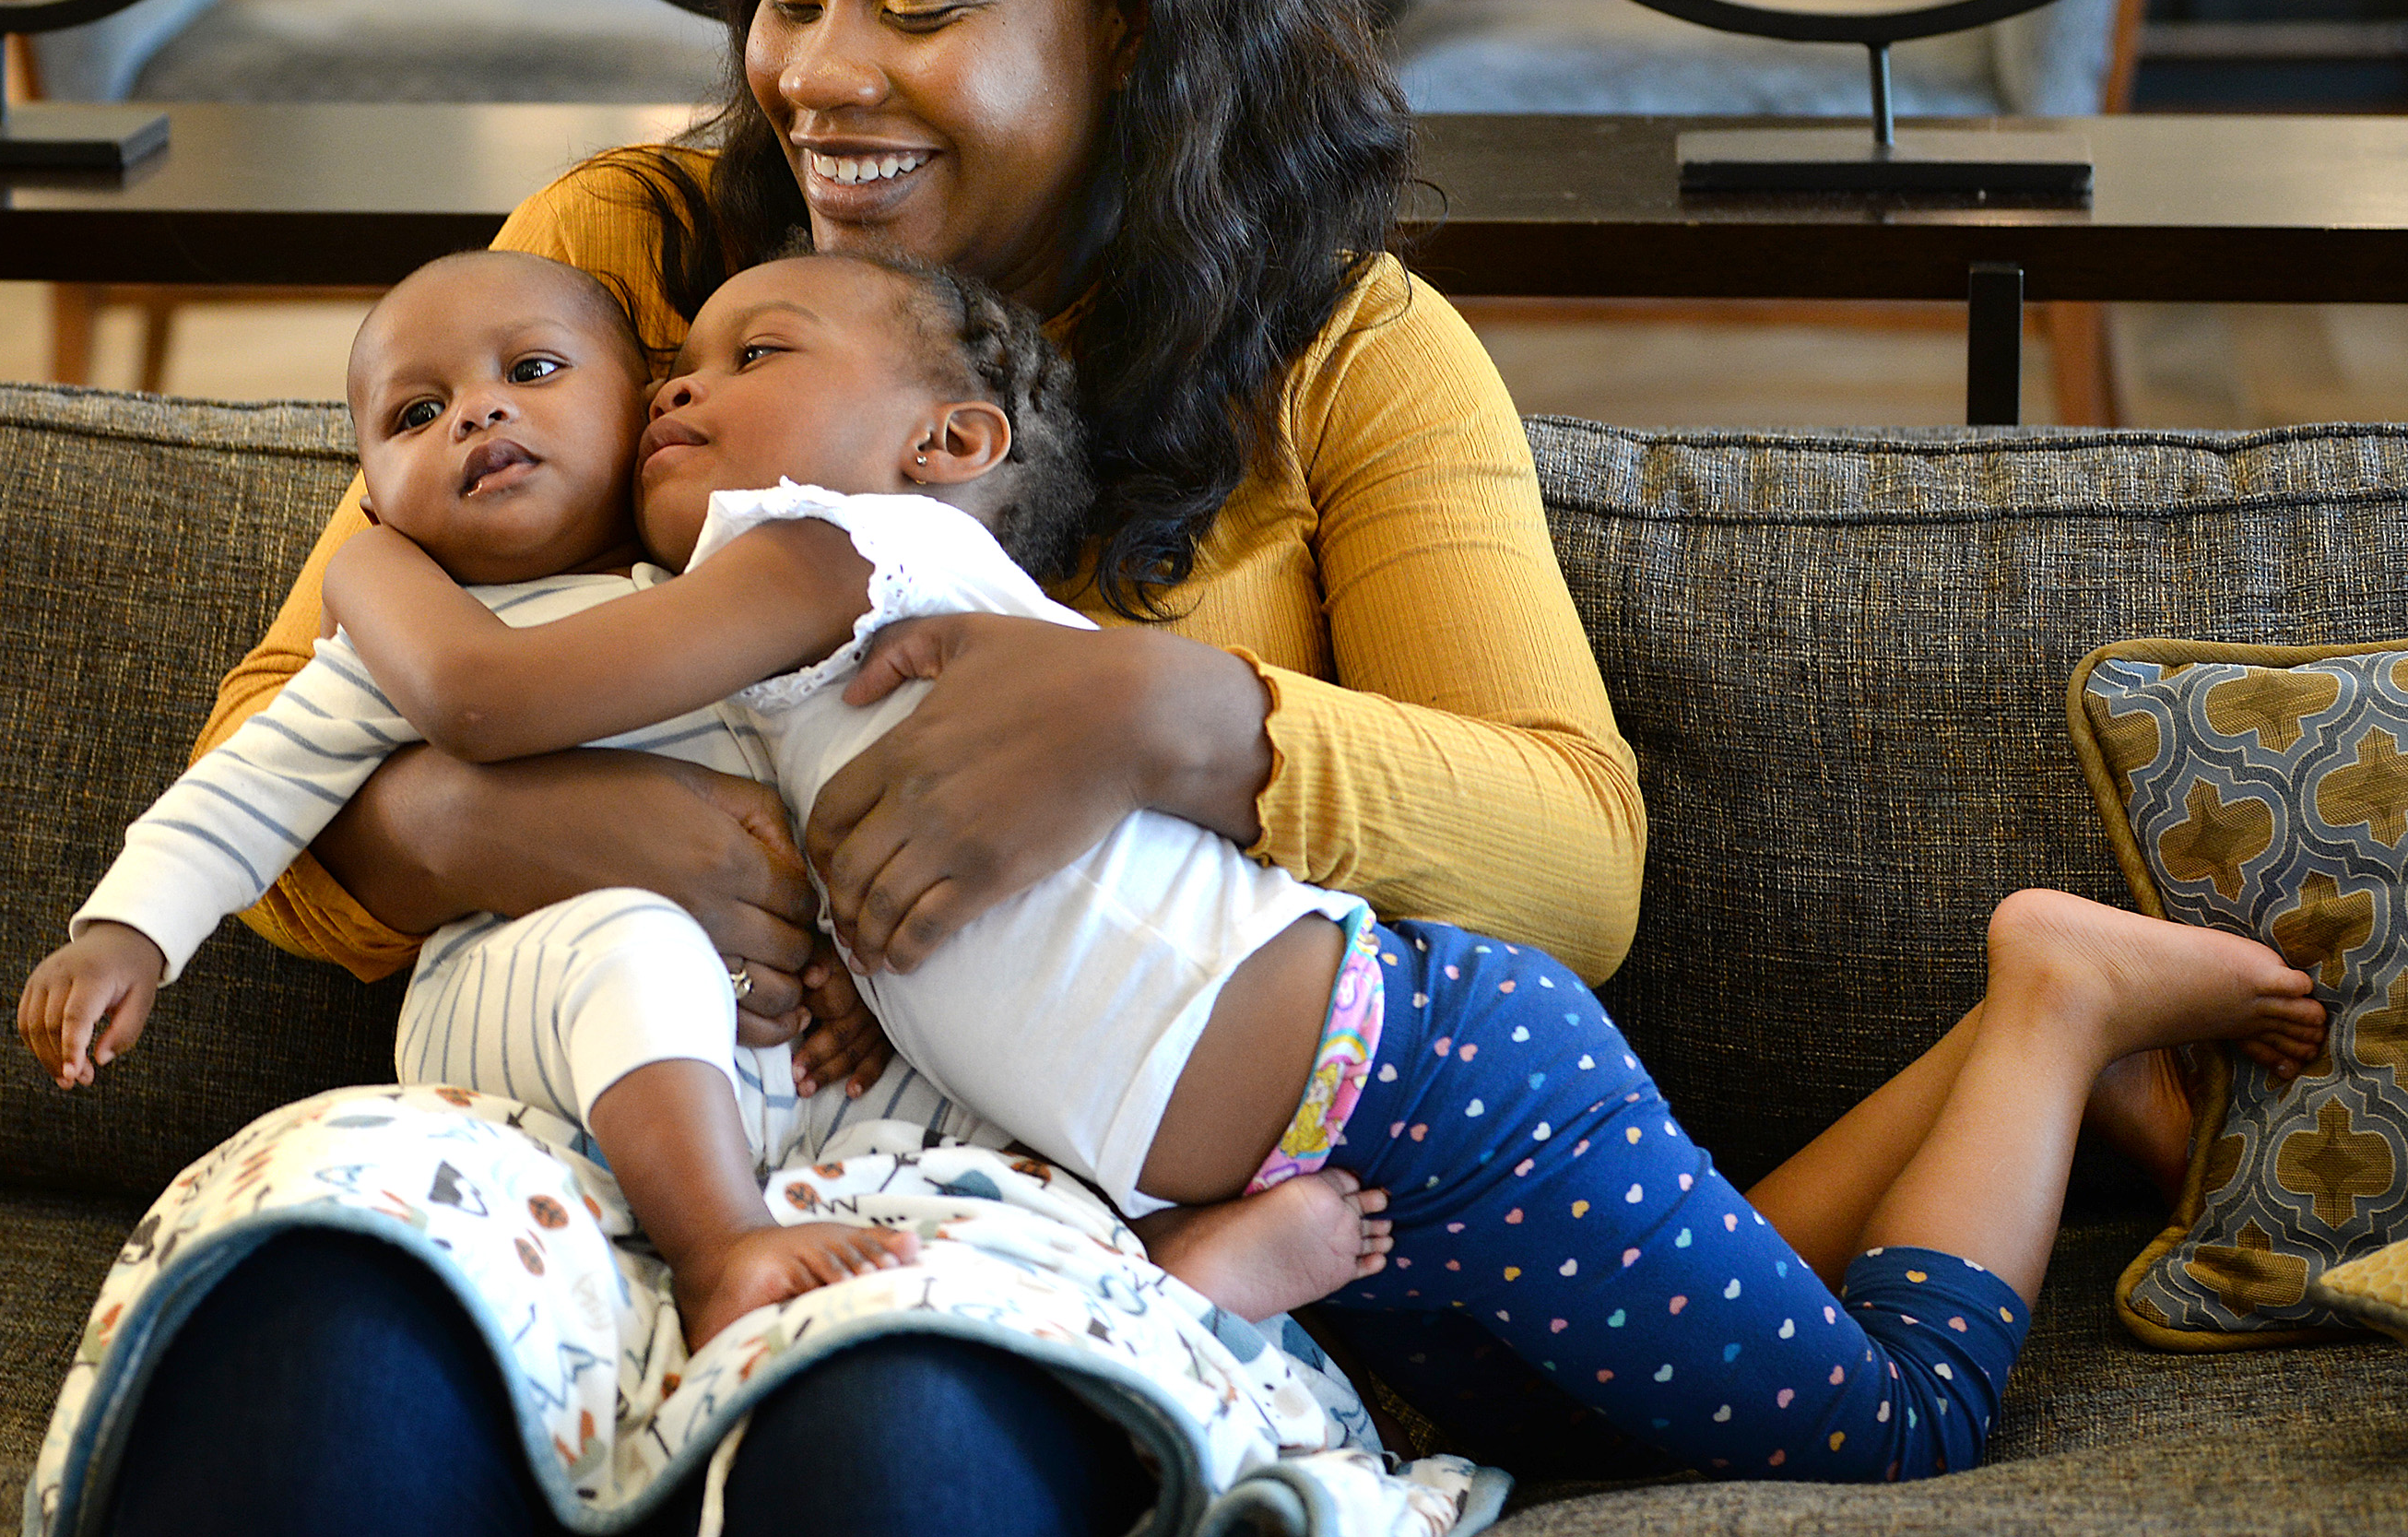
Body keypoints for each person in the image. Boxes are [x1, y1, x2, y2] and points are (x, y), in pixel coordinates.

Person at [324, 242, 2337, 1484]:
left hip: (1436, 1089)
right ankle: (2015, 1068)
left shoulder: (815, 556)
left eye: (745, 355)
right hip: (1335, 1139)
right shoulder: (777, 633)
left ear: (946, 440)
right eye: (667, 366)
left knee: (1891, 1422)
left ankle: (2056, 1001)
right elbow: (414, 783)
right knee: (1584, 1417)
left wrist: (368, 553)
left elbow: (493, 703)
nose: (676, 383)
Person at [19, 247, 1393, 1350]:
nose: (478, 414)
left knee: (966, 1050)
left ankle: (1136, 1273)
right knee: (639, 940)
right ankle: (717, 1244)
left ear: (640, 417)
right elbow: (252, 780)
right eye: (415, 416)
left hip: (800, 1083)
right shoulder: (403, 624)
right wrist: (127, 931)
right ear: (368, 491)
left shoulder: (728, 603)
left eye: (533, 372)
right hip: (537, 1004)